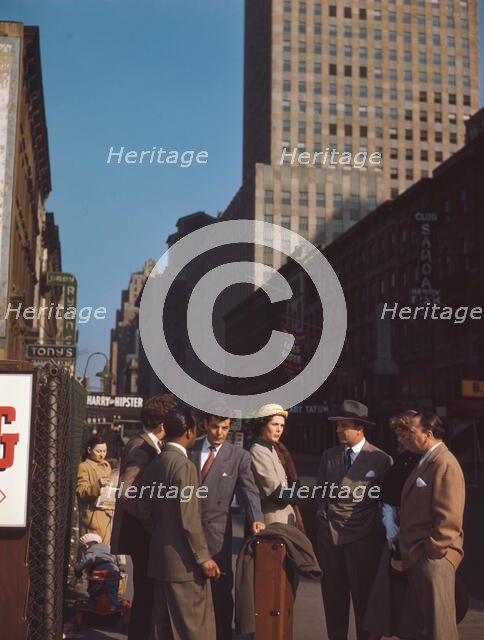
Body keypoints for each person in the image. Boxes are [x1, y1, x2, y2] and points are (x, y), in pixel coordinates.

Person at [138, 410, 220, 640]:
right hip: (184, 563)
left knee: (161, 627)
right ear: (189, 432)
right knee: (193, 628)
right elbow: (189, 519)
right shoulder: (184, 466)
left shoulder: (156, 462)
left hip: (160, 557)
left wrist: (159, 530)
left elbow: (142, 507)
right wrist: (204, 557)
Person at [315, 399, 392, 640]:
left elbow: (387, 502)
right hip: (331, 538)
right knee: (333, 598)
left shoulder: (380, 459)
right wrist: (322, 519)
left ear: (360, 428)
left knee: (364, 599)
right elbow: (320, 492)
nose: (338, 430)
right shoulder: (330, 456)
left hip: (363, 539)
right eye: (337, 426)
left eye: (343, 426)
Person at [189, 412, 265, 640]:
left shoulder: (239, 456)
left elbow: (249, 490)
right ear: (205, 425)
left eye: (225, 428)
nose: (220, 433)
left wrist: (257, 518)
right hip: (187, 530)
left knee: (220, 594)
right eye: (215, 427)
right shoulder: (189, 449)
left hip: (218, 534)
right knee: (189, 593)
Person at [111, 393, 176, 640]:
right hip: (141, 534)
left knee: (147, 595)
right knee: (145, 596)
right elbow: (127, 493)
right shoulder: (142, 447)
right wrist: (151, 522)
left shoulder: (148, 444)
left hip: (141, 534)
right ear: (161, 423)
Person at [399, 412, 465, 640]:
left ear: (428, 434)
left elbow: (450, 518)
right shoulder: (427, 460)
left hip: (432, 559)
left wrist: (431, 551)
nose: (406, 435)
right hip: (421, 556)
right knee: (424, 627)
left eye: (411, 431)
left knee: (440, 629)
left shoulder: (445, 463)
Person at [364, 410, 420, 640]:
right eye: (397, 434)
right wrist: (388, 523)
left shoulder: (420, 460)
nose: (399, 438)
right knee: (383, 595)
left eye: (403, 433)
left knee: (408, 598)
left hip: (412, 535)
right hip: (394, 533)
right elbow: (388, 493)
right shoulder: (401, 459)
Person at [249, 404, 299, 526]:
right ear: (262, 425)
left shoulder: (272, 448)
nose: (279, 429)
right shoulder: (258, 451)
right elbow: (279, 497)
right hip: (273, 521)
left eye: (282, 425)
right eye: (274, 424)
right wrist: (296, 490)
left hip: (284, 520)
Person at [76, 434, 113, 544]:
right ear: (89, 450)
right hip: (92, 517)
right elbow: (81, 491)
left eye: (104, 451)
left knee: (105, 552)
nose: (102, 455)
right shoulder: (84, 467)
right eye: (98, 451)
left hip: (107, 516)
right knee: (92, 553)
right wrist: (98, 485)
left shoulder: (107, 465)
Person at [75, 532, 125, 608]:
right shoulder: (108, 548)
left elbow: (83, 563)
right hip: (113, 570)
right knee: (113, 589)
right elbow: (118, 556)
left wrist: (78, 571)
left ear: (86, 545)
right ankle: (113, 603)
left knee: (94, 589)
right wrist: (120, 565)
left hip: (98, 572)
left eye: (83, 549)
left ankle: (93, 601)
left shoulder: (91, 552)